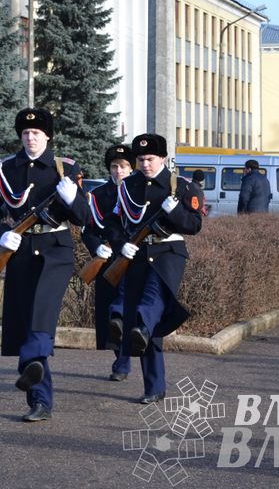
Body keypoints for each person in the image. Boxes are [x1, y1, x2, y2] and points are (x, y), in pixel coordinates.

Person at [0, 108, 89, 422]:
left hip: (55, 250)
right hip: (20, 250)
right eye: (26, 133)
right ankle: (39, 402)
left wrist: (72, 199)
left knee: (42, 312)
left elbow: (83, 218)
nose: (30, 138)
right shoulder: (6, 169)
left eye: (37, 133)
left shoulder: (65, 168)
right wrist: (1, 235)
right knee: (25, 320)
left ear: (47, 136)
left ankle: (30, 361)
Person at [109, 134, 203, 404]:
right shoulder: (127, 186)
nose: (145, 164)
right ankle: (154, 387)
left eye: (150, 159)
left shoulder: (181, 187)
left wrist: (175, 212)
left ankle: (130, 329)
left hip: (169, 252)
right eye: (140, 160)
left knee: (152, 301)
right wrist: (121, 244)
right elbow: (115, 223)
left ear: (162, 158)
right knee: (145, 325)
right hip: (137, 252)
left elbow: (194, 225)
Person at [81, 144, 135, 382]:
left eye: (124, 166)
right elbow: (88, 230)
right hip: (109, 259)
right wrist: (96, 247)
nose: (119, 171)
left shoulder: (140, 191)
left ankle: (124, 361)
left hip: (135, 257)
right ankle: (120, 357)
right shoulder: (99, 195)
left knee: (126, 311)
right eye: (114, 166)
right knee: (110, 313)